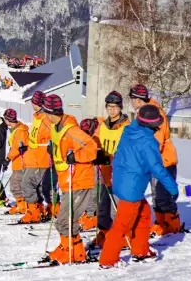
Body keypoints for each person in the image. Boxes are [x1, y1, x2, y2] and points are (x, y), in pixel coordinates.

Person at [99, 104, 179, 268]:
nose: (159, 125)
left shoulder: (129, 131)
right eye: (157, 123)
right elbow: (156, 168)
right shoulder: (148, 141)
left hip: (121, 180)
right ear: (151, 124)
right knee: (122, 225)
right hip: (132, 187)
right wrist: (172, 187)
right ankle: (108, 260)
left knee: (143, 214)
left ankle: (140, 250)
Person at [42, 94, 97, 265]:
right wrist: (53, 149)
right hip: (67, 181)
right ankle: (67, 247)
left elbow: (92, 148)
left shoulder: (71, 130)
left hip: (80, 181)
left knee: (66, 220)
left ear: (50, 112)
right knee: (63, 220)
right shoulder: (56, 128)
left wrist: (76, 156)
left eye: (45, 111)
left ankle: (76, 252)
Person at [128, 84, 182, 235]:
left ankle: (173, 224)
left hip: (164, 161)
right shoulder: (143, 113)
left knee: (162, 194)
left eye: (132, 99)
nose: (131, 102)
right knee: (156, 195)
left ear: (138, 99)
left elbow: (157, 139)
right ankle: (160, 222)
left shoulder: (155, 113)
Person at [91, 91, 131, 249]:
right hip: (104, 170)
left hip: (119, 172)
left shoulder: (126, 127)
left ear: (120, 108)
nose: (112, 110)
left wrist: (113, 158)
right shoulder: (103, 125)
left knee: (117, 206)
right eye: (109, 107)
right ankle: (104, 232)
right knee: (102, 205)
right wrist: (96, 152)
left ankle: (121, 235)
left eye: (115, 107)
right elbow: (95, 141)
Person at [19, 91, 53, 223]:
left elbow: (53, 135)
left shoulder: (45, 119)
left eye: (33, 102)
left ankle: (34, 212)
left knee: (27, 184)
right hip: (34, 157)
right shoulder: (38, 118)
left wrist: (51, 146)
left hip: (41, 159)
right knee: (37, 186)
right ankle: (39, 209)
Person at [3, 109, 28, 215]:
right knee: (17, 184)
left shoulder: (20, 131)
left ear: (8, 119)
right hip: (18, 162)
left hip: (21, 162)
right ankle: (21, 204)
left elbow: (17, 148)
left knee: (15, 185)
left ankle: (22, 206)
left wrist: (8, 158)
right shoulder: (17, 129)